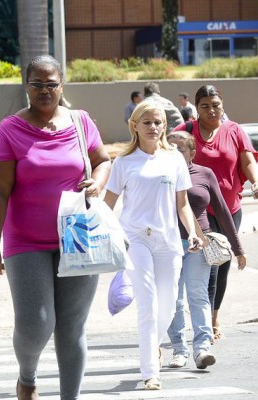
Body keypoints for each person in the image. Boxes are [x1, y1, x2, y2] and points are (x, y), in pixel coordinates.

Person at [0, 55, 112, 400]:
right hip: (26, 240)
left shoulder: (81, 122)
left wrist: (98, 183)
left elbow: (102, 161)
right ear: (26, 87)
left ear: (61, 86)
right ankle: (27, 377)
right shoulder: (10, 129)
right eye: (36, 84)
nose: (44, 90)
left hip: (78, 237)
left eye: (51, 83)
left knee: (72, 327)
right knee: (36, 323)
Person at [104, 100, 203, 391]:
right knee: (147, 304)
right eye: (147, 122)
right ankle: (150, 371)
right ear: (135, 125)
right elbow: (108, 205)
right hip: (135, 239)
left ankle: (153, 348)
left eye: (158, 122)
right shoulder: (123, 162)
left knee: (169, 305)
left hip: (169, 240)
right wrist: (100, 234)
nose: (154, 127)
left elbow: (182, 204)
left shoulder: (173, 159)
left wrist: (193, 232)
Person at [172, 84, 258, 342]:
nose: (211, 110)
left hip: (229, 208)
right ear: (196, 109)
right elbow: (162, 151)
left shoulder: (234, 130)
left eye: (216, 105)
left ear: (223, 104)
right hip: (198, 210)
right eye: (205, 106)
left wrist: (255, 181)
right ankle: (205, 324)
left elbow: (247, 160)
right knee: (206, 266)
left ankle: (214, 316)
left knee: (222, 264)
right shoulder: (185, 131)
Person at [165, 131, 245, 371]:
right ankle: (179, 350)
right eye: (169, 148)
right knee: (173, 299)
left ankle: (202, 349)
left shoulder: (204, 174)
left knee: (198, 295)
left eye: (180, 149)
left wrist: (238, 248)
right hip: (167, 246)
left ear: (192, 152)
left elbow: (222, 210)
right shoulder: (159, 175)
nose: (174, 153)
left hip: (198, 244)